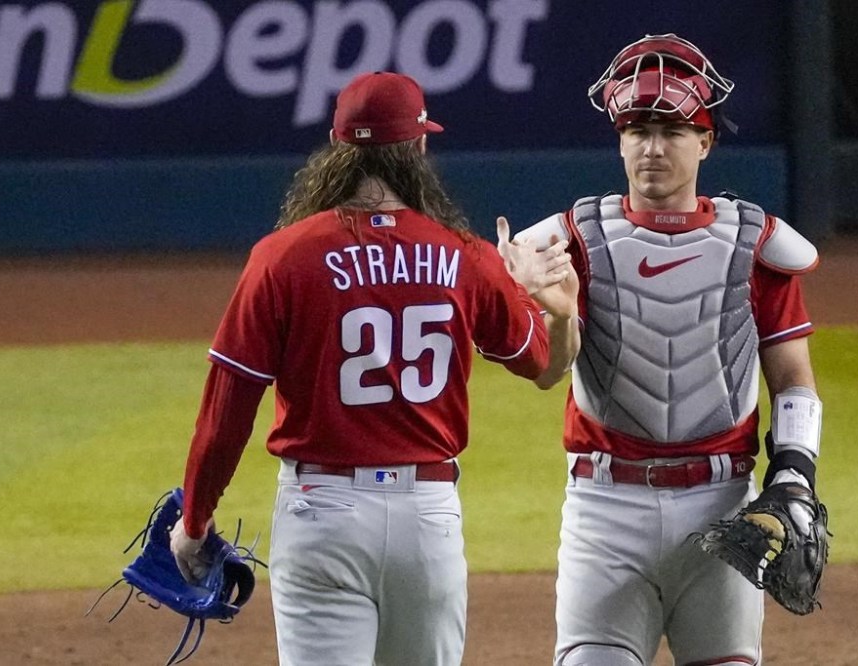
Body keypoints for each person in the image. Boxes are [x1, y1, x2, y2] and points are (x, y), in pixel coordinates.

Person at [166, 70, 575, 666]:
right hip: (425, 518)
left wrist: (195, 521)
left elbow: (225, 411)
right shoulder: (467, 257)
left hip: (320, 513)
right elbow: (543, 365)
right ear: (418, 149)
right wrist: (519, 292)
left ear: (337, 151)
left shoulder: (281, 258)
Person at [512, 34, 824, 666]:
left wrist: (794, 470)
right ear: (619, 139)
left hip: (724, 508)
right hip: (605, 507)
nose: (652, 147)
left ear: (705, 142)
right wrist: (560, 314)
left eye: (673, 130)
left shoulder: (755, 247)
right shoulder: (570, 243)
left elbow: (793, 381)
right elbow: (550, 372)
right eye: (636, 129)